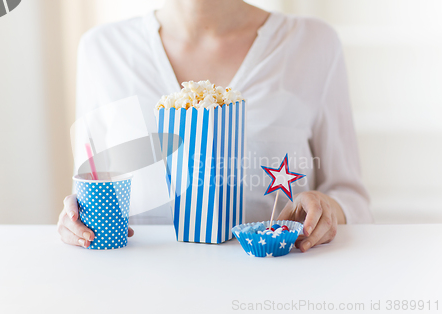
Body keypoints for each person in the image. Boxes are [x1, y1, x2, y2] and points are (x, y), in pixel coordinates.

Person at [57, 0, 373, 252]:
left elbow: (352, 197)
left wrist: (329, 209)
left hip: (273, 285)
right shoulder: (101, 50)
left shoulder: (313, 44)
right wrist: (76, 218)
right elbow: (88, 186)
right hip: (140, 289)